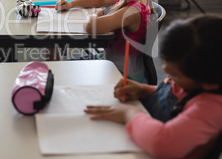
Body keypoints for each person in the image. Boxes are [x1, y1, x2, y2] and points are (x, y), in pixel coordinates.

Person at [84, 15, 222, 159]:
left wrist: (129, 114)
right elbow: (172, 95)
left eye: (175, 74)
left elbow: (162, 143)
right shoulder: (194, 83)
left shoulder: (210, 109)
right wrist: (145, 91)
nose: (166, 71)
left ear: (210, 83)